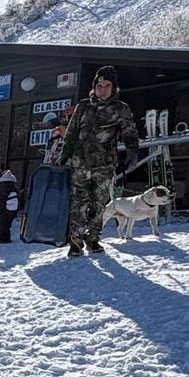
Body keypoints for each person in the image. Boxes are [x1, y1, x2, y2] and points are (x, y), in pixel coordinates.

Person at [57, 65, 140, 256]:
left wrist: (132, 153)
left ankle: (93, 238)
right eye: (99, 85)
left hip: (104, 165)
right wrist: (64, 157)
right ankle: (75, 242)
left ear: (114, 88)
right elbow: (71, 134)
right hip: (80, 164)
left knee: (99, 203)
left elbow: (129, 134)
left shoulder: (121, 109)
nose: (102, 89)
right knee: (79, 203)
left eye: (107, 85)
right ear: (94, 87)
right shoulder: (83, 106)